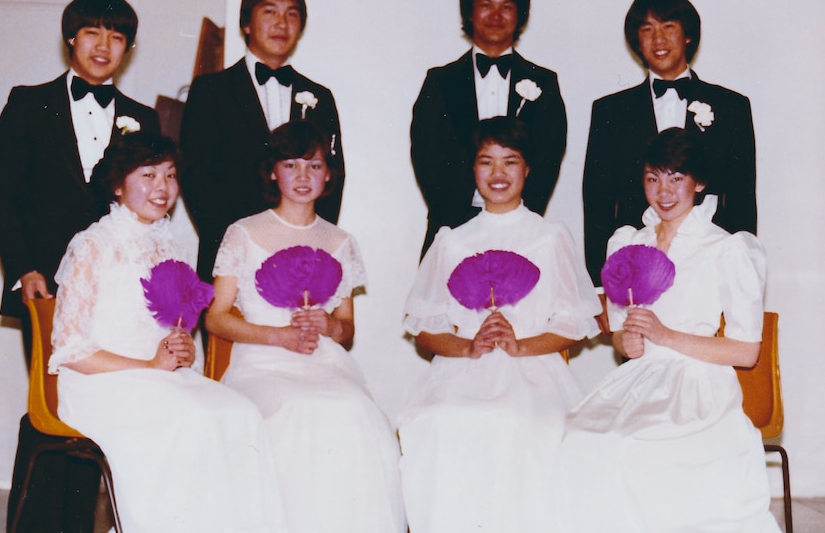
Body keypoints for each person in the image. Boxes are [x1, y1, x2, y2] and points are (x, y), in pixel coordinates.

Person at [49, 132, 286, 533]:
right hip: (101, 382)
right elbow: (72, 350)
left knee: (241, 414)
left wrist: (181, 353)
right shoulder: (93, 244)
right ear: (118, 185)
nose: (162, 187)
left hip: (161, 378)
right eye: (148, 175)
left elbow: (172, 334)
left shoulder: (171, 245)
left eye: (170, 175)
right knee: (192, 420)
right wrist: (148, 365)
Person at [0, 0, 160, 532]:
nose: (103, 45)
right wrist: (23, 268)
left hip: (112, 296)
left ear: (127, 47)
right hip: (46, 287)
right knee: (54, 406)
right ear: (70, 39)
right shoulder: (26, 101)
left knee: (98, 410)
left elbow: (148, 208)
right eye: (92, 32)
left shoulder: (142, 117)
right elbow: (3, 192)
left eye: (115, 36)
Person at [557, 129, 778, 532]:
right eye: (653, 177)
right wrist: (630, 340)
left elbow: (746, 352)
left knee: (638, 449)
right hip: (641, 379)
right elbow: (626, 342)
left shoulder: (725, 248)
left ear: (700, 182)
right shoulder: (630, 242)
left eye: (677, 177)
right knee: (584, 438)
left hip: (698, 381)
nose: (664, 191)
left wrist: (664, 334)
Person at [399, 117, 600, 532]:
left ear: (528, 169)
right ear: (472, 169)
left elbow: (574, 322)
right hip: (463, 367)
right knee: (441, 420)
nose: (498, 173)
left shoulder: (549, 237)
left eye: (510, 162)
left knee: (518, 424)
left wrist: (522, 344)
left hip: (532, 366)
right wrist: (468, 346)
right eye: (486, 162)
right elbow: (426, 329)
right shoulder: (452, 240)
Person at [205, 121, 406, 533]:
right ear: (272, 172)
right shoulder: (243, 232)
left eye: (313, 166)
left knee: (358, 413)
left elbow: (348, 330)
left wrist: (330, 324)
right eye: (290, 165)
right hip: (262, 362)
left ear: (328, 174)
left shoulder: (340, 240)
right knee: (297, 413)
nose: (302, 177)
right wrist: (276, 336)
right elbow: (216, 317)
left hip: (324, 363)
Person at [582, 0, 757, 295]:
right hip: (635, 268)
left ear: (687, 34)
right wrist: (601, 287)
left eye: (668, 27)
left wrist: (742, 280)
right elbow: (597, 204)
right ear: (636, 39)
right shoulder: (610, 111)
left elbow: (742, 199)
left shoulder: (732, 107)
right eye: (647, 29)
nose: (658, 40)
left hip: (710, 265)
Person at [181, 0, 344, 282]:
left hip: (302, 260)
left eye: (291, 14)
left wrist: (310, 243)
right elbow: (196, 177)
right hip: (230, 256)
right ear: (246, 23)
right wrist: (242, 242)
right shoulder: (210, 90)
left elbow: (333, 175)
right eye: (270, 12)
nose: (281, 24)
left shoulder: (320, 97)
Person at [411, 0, 567, 257]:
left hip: (523, 230)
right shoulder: (440, 81)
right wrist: (454, 213)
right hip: (453, 229)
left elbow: (548, 158)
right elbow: (425, 156)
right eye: (486, 5)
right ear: (469, 13)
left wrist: (516, 215)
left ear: (520, 16)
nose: (495, 16)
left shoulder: (545, 83)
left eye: (506, 6)